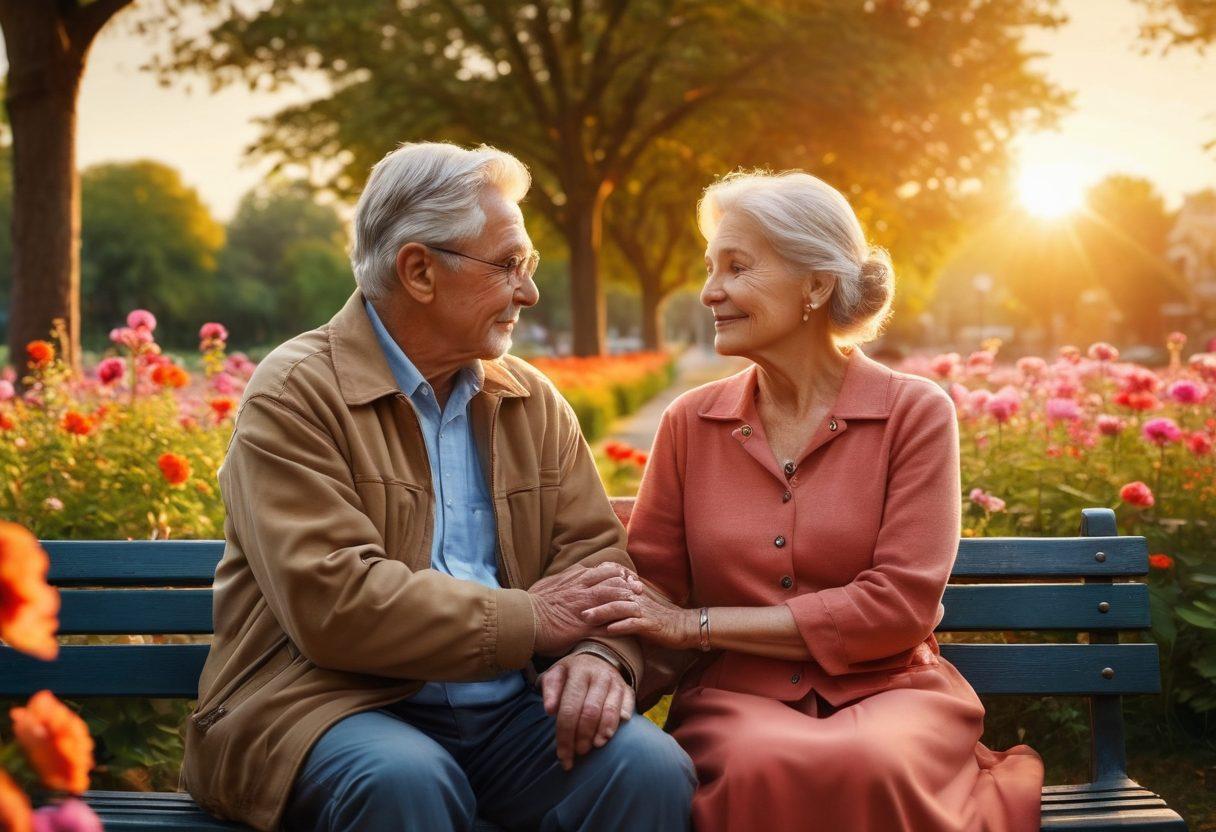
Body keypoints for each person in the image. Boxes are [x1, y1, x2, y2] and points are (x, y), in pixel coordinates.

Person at [181, 141, 695, 832]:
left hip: (510, 716)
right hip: (326, 707)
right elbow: (334, 602)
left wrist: (604, 656)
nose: (529, 291)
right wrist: (532, 620)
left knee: (649, 768)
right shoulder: (297, 391)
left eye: (529, 266)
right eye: (509, 265)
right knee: (404, 779)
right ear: (419, 271)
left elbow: (595, 562)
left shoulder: (530, 400)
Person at [586, 170, 1044, 832]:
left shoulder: (914, 413)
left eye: (737, 268)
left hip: (893, 693)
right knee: (760, 764)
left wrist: (699, 625)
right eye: (711, 269)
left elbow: (898, 605)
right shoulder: (690, 421)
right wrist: (605, 673)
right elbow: (652, 587)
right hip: (739, 701)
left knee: (873, 761)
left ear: (816, 285)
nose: (710, 292)